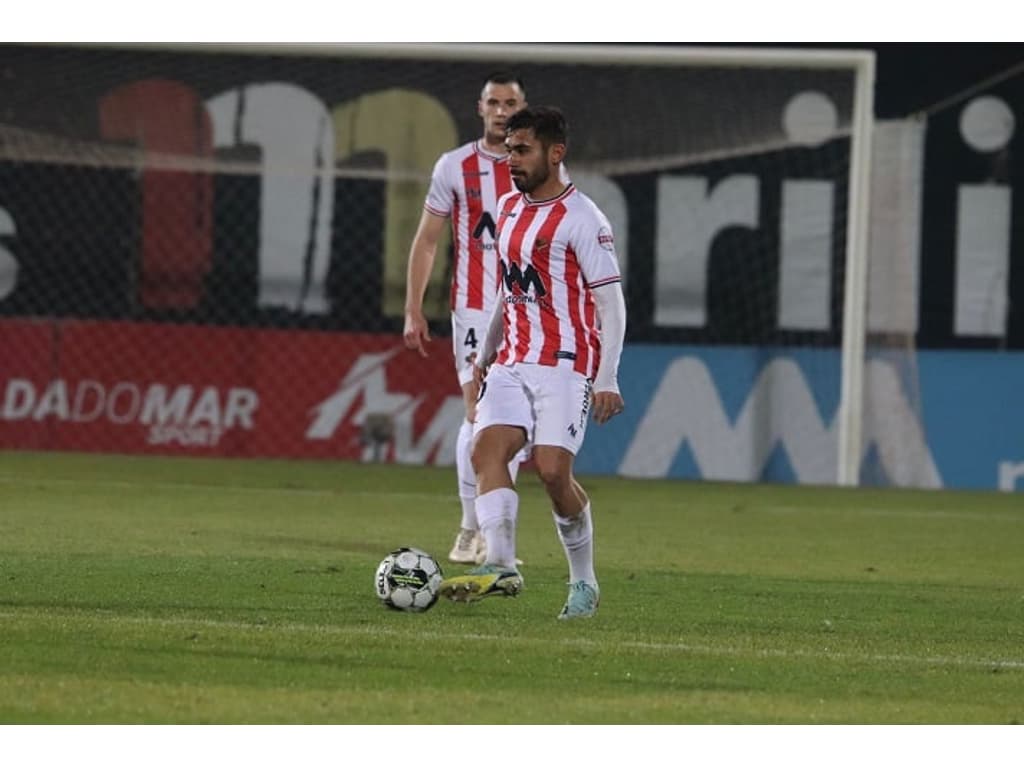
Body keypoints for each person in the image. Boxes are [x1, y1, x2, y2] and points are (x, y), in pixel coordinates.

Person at [438, 106, 627, 620]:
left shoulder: (585, 219)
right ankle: (500, 564)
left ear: (555, 153)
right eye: (508, 150)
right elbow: (507, 288)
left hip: (565, 362)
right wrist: (484, 354)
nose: (511, 160)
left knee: (550, 472)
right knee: (486, 451)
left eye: (521, 151)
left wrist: (606, 376)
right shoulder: (509, 207)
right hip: (512, 359)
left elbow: (611, 303)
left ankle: (584, 582)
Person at [402, 72, 530, 566]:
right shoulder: (454, 166)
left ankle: (487, 532)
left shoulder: (536, 166)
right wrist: (414, 306)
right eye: (493, 102)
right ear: (480, 109)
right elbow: (428, 238)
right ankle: (470, 529)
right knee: (478, 410)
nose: (501, 110)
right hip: (476, 307)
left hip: (528, 309)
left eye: (510, 102)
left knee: (517, 421)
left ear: (522, 108)